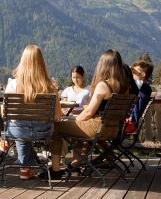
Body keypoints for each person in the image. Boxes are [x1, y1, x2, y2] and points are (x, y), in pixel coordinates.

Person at [45, 49, 130, 179]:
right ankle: (75, 163)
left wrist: (75, 120)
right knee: (77, 128)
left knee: (56, 126)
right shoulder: (124, 86)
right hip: (112, 129)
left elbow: (89, 112)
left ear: (104, 65)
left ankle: (55, 170)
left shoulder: (103, 85)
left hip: (96, 127)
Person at [4, 45, 62, 180]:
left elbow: (5, 112)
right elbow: (57, 116)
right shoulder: (50, 87)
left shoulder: (13, 85)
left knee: (20, 128)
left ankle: (25, 167)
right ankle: (28, 166)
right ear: (41, 63)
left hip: (18, 132)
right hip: (42, 132)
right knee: (25, 128)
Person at [124, 60, 154, 133]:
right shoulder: (143, 88)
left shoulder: (142, 86)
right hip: (130, 121)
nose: (132, 74)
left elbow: (135, 83)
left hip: (129, 123)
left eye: (134, 72)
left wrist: (127, 68)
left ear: (143, 74)